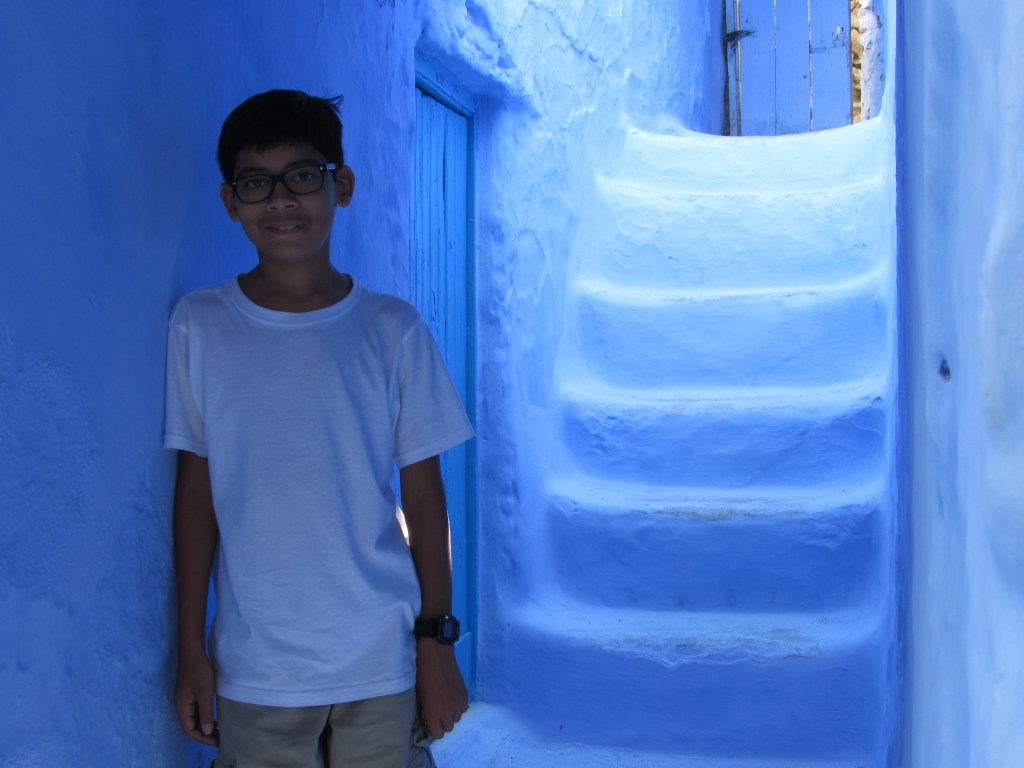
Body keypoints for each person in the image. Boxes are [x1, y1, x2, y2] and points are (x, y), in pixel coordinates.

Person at [165, 89, 474, 767]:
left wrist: (436, 643)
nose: (281, 201)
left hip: (380, 662)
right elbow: (197, 497)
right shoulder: (201, 327)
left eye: (303, 177)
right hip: (257, 670)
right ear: (230, 202)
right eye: (256, 184)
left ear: (343, 186)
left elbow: (424, 501)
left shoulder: (391, 330)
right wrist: (191, 647)